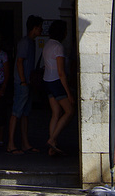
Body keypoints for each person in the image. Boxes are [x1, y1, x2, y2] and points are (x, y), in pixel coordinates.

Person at [7, 15, 43, 154]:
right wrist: (23, 80)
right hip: (22, 82)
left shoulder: (30, 42)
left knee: (25, 113)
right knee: (16, 112)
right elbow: (19, 61)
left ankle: (25, 143)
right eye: (39, 27)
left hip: (26, 82)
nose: (41, 30)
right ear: (34, 28)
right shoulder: (25, 42)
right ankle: (11, 144)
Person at [43, 19, 75, 156]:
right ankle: (52, 139)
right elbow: (61, 72)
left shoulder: (47, 44)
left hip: (47, 81)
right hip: (56, 81)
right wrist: (69, 93)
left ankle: (53, 146)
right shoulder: (58, 47)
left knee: (55, 113)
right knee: (69, 111)